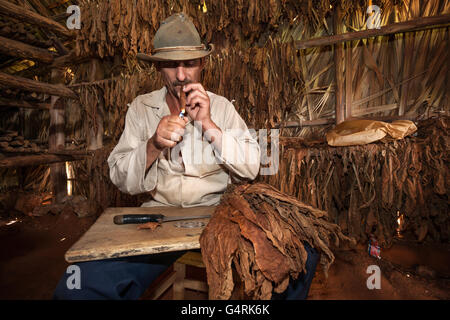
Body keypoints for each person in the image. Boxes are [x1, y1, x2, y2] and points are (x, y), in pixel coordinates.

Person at [53, 13, 318, 300]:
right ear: (158, 68)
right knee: (79, 286)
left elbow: (251, 168)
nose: (181, 76)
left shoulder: (222, 107)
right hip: (157, 220)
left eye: (190, 63)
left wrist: (209, 124)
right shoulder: (141, 108)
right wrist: (153, 144)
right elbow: (119, 178)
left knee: (302, 255)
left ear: (202, 63)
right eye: (171, 65)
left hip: (216, 215)